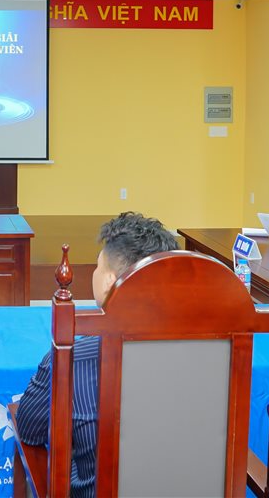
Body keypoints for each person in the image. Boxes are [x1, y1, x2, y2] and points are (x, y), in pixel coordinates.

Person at [15, 212, 178, 498]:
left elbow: (29, 430)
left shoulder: (71, 360)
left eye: (98, 265)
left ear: (109, 281)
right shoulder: (215, 357)